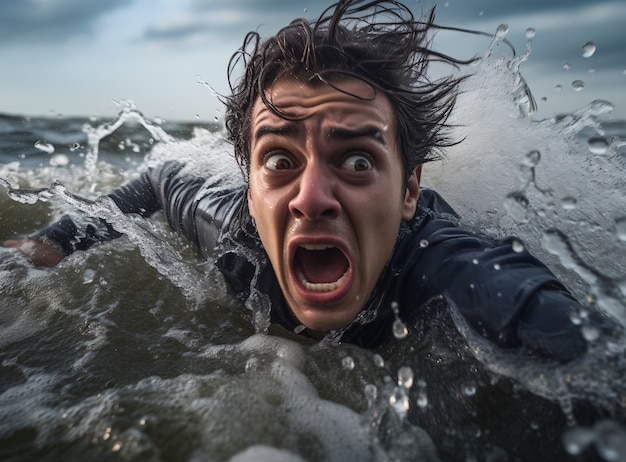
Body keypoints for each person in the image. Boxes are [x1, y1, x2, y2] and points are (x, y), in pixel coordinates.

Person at [3, 0, 595, 361]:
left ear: (410, 188)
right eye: (280, 162)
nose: (310, 200)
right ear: (250, 187)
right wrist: (49, 243)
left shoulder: (453, 276)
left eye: (358, 160)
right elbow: (159, 178)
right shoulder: (229, 232)